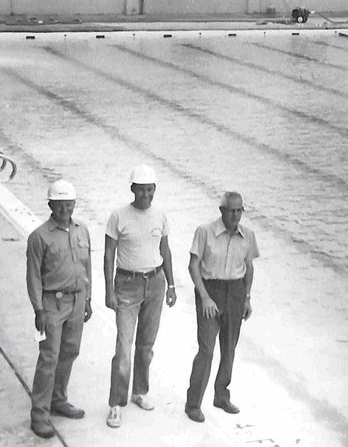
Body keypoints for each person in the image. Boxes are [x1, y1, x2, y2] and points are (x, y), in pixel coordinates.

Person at [104, 164, 176, 428]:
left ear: (154, 190)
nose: (145, 195)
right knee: (124, 347)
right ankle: (115, 404)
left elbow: (165, 251)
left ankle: (140, 392)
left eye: (149, 190)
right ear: (132, 189)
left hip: (155, 283)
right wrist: (108, 290)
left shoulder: (161, 216)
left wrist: (171, 285)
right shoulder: (118, 216)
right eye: (140, 190)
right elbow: (109, 254)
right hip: (127, 284)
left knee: (146, 346)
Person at [185, 191, 260, 423]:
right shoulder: (204, 232)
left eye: (239, 210)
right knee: (206, 349)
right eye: (231, 210)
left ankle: (221, 396)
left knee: (229, 348)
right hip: (211, 291)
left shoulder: (248, 235)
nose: (235, 215)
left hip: (236, 292)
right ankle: (193, 404)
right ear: (221, 211)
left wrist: (247, 298)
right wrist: (205, 297)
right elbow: (193, 266)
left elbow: (249, 268)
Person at [26, 179, 92, 439]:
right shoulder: (39, 237)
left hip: (77, 300)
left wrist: (88, 299)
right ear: (50, 205)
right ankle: (39, 415)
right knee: (49, 359)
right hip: (53, 303)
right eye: (59, 205)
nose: (65, 210)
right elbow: (33, 276)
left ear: (74, 204)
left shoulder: (83, 230)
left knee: (70, 352)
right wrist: (38, 309)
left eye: (69, 205)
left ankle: (59, 399)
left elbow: (88, 266)